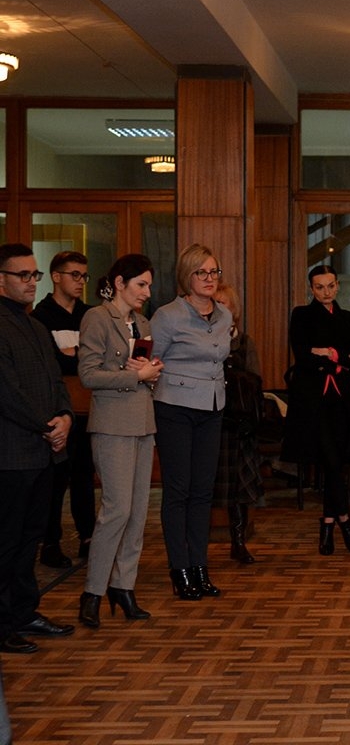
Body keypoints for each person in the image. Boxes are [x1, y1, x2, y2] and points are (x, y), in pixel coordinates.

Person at [76, 254, 163, 628]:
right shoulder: (97, 318)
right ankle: (92, 592)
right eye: (141, 284)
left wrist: (151, 374)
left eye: (148, 285)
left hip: (143, 422)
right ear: (119, 283)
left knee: (138, 512)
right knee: (116, 511)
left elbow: (143, 374)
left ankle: (123, 586)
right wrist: (136, 377)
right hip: (112, 425)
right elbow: (88, 375)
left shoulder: (142, 323)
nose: (146, 292)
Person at [0, 243, 77, 654]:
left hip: (43, 451)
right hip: (11, 454)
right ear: (1, 280)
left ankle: (24, 612)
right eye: (23, 275)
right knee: (6, 541)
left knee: (31, 537)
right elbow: (7, 392)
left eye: (35, 275)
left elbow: (56, 381)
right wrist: (48, 427)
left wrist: (65, 417)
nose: (32, 282)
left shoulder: (34, 326)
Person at [152, 244, 231, 600]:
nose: (209, 278)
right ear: (187, 276)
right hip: (175, 408)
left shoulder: (224, 315)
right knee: (178, 491)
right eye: (201, 272)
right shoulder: (167, 316)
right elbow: (150, 362)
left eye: (214, 272)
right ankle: (180, 569)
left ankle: (200, 567)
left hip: (212, 408)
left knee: (203, 492)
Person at [282, 265, 350, 556]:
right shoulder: (301, 315)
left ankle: (328, 523)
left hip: (343, 400)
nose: (326, 292)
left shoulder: (346, 317)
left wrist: (330, 353)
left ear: (338, 285)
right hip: (313, 401)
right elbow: (302, 355)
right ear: (311, 288)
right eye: (319, 287)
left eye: (330, 286)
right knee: (330, 460)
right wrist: (339, 358)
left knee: (338, 462)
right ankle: (345, 521)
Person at [30, 250, 97, 568]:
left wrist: (74, 353)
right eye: (74, 275)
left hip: (88, 406)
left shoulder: (90, 315)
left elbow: (97, 358)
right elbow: (51, 363)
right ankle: (50, 542)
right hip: (57, 409)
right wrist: (77, 355)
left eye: (84, 275)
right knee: (55, 479)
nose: (81, 281)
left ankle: (88, 537)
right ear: (56, 277)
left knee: (84, 475)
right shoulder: (40, 317)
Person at [213, 282, 264, 565]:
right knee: (211, 484)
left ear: (234, 310)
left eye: (224, 304)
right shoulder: (204, 338)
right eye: (215, 303)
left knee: (240, 487)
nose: (219, 308)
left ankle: (239, 541)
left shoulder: (244, 342)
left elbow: (256, 380)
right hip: (213, 420)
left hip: (240, 424)